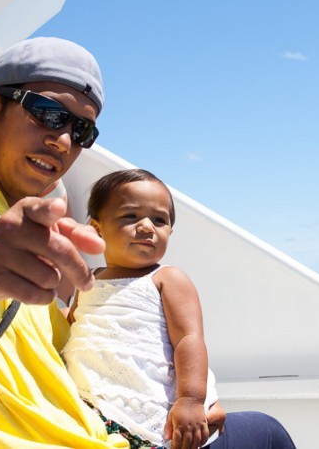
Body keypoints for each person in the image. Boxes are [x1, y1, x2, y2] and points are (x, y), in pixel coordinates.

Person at [0, 37, 295, 448]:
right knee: (267, 434)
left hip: (108, 435)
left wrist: (187, 397)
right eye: (49, 114)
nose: (64, 140)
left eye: (83, 131)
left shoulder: (23, 230)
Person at [63, 169, 220, 449]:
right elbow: (75, 325)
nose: (147, 227)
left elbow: (189, 339)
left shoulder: (167, 279)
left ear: (169, 231)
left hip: (148, 408)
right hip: (92, 407)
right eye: (131, 216)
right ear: (97, 229)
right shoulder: (87, 280)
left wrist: (190, 400)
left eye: (160, 220)